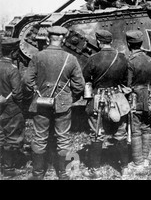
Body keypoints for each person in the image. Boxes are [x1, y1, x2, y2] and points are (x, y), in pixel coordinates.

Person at [24, 26, 85, 180]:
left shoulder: (38, 57)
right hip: (63, 104)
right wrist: (69, 99)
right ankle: (63, 174)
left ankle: (37, 174)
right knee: (63, 138)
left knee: (39, 137)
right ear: (63, 40)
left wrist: (38, 92)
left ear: (47, 39)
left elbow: (27, 81)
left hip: (41, 102)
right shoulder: (70, 59)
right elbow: (79, 86)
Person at [82, 30, 130, 179]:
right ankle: (125, 168)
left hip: (98, 99)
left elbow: (86, 78)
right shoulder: (122, 58)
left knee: (97, 133)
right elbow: (125, 80)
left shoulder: (93, 58)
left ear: (98, 41)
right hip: (117, 98)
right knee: (120, 133)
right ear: (111, 41)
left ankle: (94, 169)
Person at [125, 30, 151, 172]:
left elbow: (128, 84)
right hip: (147, 97)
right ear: (141, 43)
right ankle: (145, 159)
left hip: (135, 98)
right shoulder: (150, 60)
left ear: (128, 44)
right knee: (146, 127)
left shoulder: (130, 61)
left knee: (135, 130)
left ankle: (137, 163)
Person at [0, 38, 26, 178]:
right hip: (11, 109)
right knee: (12, 138)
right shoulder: (12, 69)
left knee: (1, 135)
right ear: (12, 52)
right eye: (17, 52)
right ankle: (8, 168)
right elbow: (17, 93)